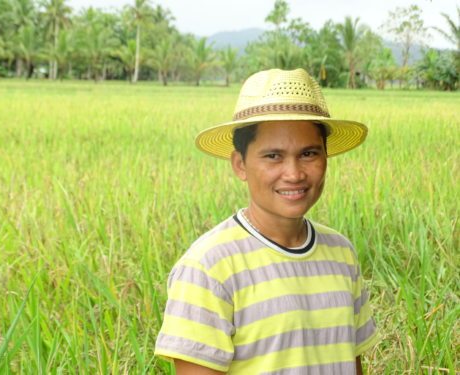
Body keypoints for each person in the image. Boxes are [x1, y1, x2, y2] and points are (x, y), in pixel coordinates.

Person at [155, 68, 378, 374]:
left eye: (309, 153)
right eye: (273, 156)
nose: (294, 173)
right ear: (240, 164)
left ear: (327, 156)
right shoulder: (209, 267)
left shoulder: (342, 253)